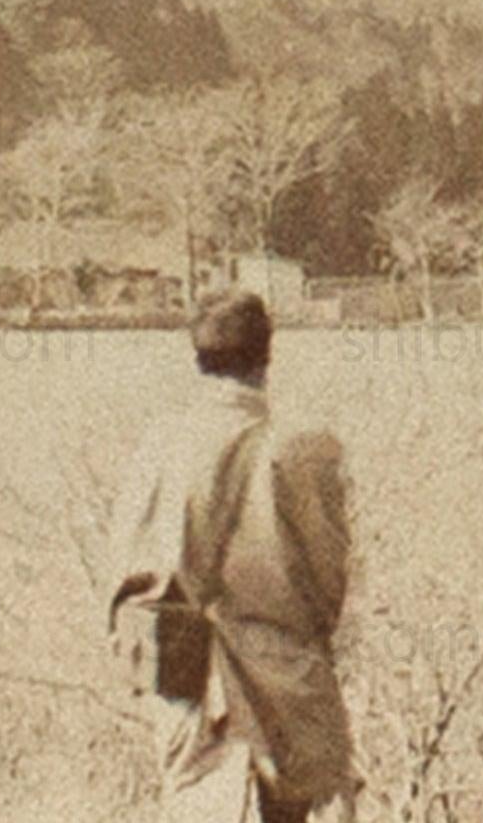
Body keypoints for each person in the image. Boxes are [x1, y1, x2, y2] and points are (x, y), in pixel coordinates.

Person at [109, 289, 358, 822]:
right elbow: (329, 586)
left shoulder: (162, 444)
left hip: (185, 685)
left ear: (196, 356)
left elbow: (128, 582)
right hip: (288, 683)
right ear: (266, 355)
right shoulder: (307, 448)